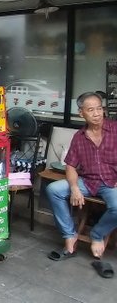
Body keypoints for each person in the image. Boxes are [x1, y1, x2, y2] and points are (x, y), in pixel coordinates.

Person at [45, 92, 117, 269]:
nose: (97, 113)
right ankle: (69, 235)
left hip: (112, 183)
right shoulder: (79, 137)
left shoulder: (115, 130)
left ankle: (97, 234)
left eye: (99, 109)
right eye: (91, 110)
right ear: (81, 113)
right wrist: (75, 187)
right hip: (88, 181)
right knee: (53, 190)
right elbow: (70, 166)